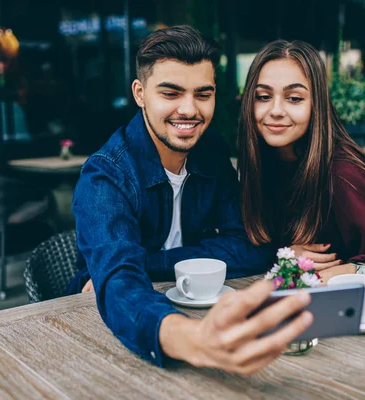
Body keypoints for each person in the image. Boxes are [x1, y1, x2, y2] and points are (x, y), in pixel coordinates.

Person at [68, 26, 313, 375]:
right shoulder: (106, 176)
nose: (189, 109)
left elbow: (250, 245)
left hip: (202, 306)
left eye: (203, 94)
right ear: (140, 93)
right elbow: (120, 283)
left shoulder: (210, 151)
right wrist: (194, 340)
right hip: (104, 328)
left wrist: (149, 261)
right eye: (171, 93)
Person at [237, 40, 365, 289]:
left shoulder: (343, 174)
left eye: (294, 98)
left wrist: (354, 271)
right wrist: (286, 254)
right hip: (312, 308)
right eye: (263, 97)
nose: (275, 110)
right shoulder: (264, 161)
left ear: (316, 104)